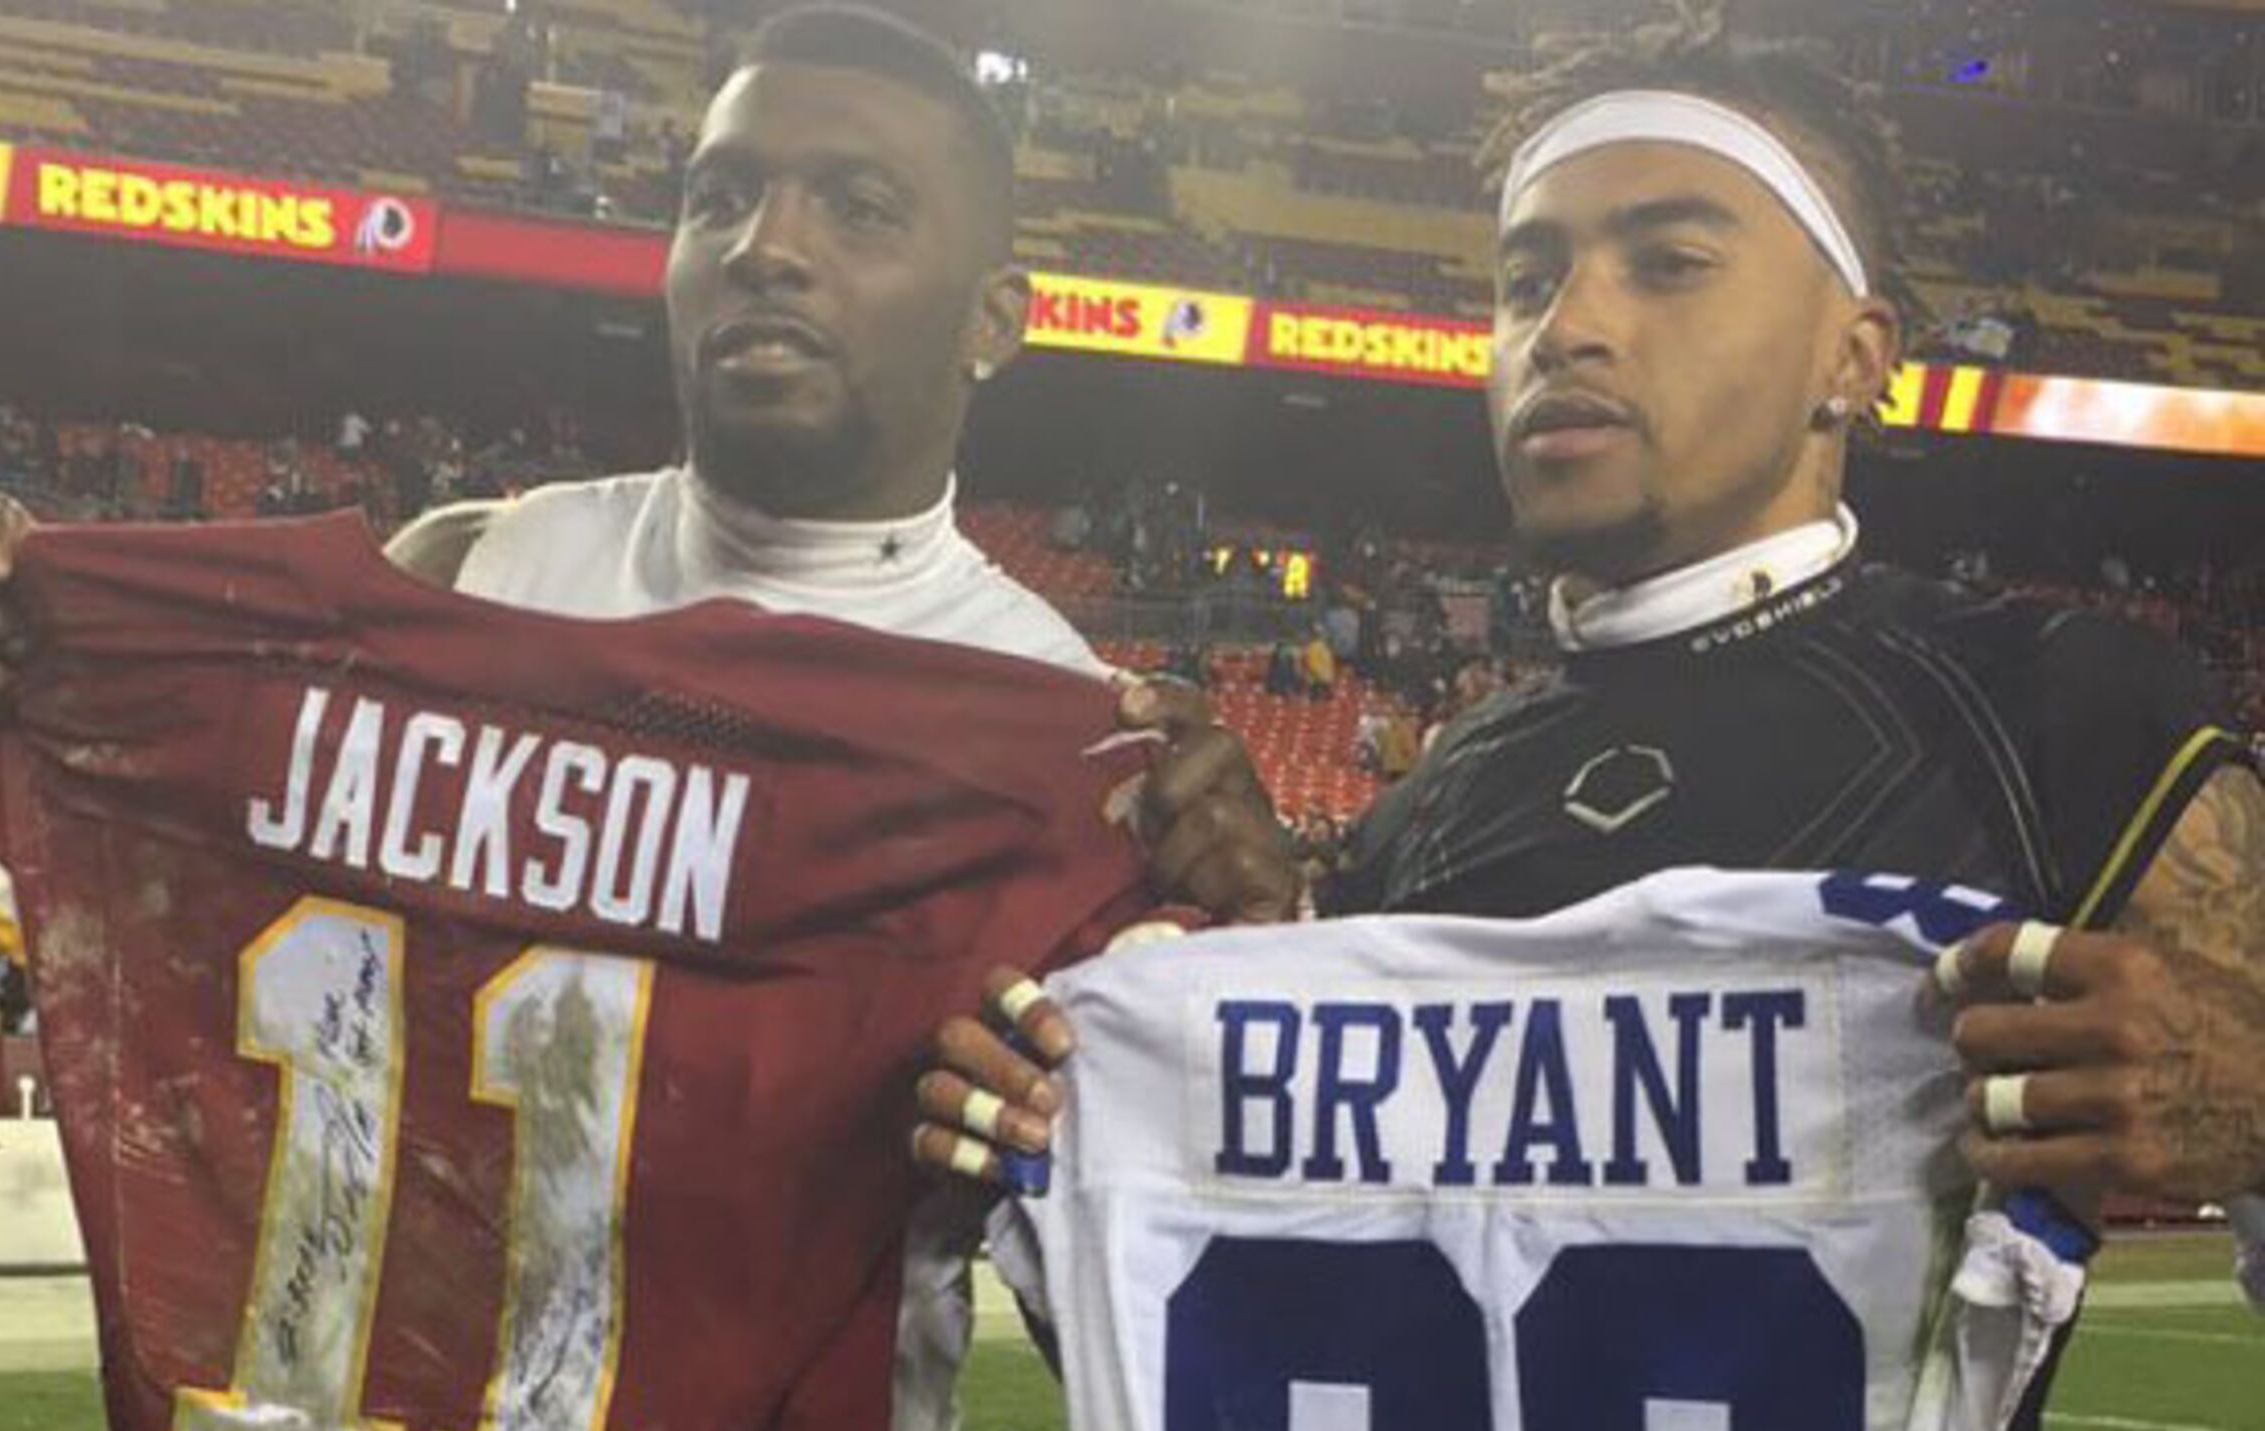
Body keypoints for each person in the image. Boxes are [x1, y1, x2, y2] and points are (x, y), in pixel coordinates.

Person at [0, 8, 1263, 1431]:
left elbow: (1168, 1310)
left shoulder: (1070, 745)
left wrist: (1212, 987)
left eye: (855, 203)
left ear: (994, 314)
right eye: (723, 195)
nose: (768, 244)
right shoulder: (464, 576)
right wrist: (17, 638)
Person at [916, 0, 2265, 1242]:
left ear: (1849, 355)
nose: (1563, 326)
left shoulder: (2058, 705)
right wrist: (1061, 1102)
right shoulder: (1421, 817)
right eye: (1524, 279)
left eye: (1667, 262)